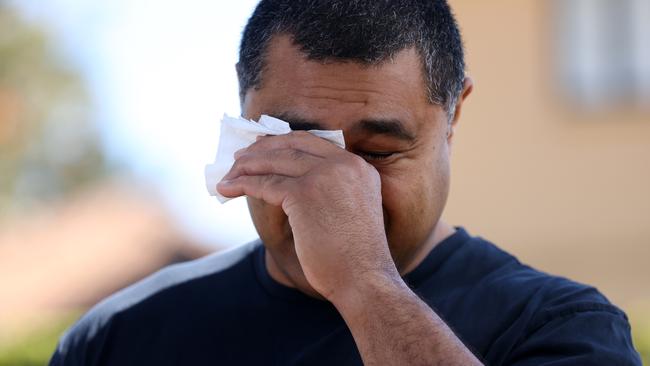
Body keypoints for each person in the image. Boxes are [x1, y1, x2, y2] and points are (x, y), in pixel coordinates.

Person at [49, 1, 642, 365]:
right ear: (242, 106)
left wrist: (364, 283)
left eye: (378, 153)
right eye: (298, 148)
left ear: (454, 115)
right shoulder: (122, 335)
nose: (335, 188)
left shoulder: (559, 328)